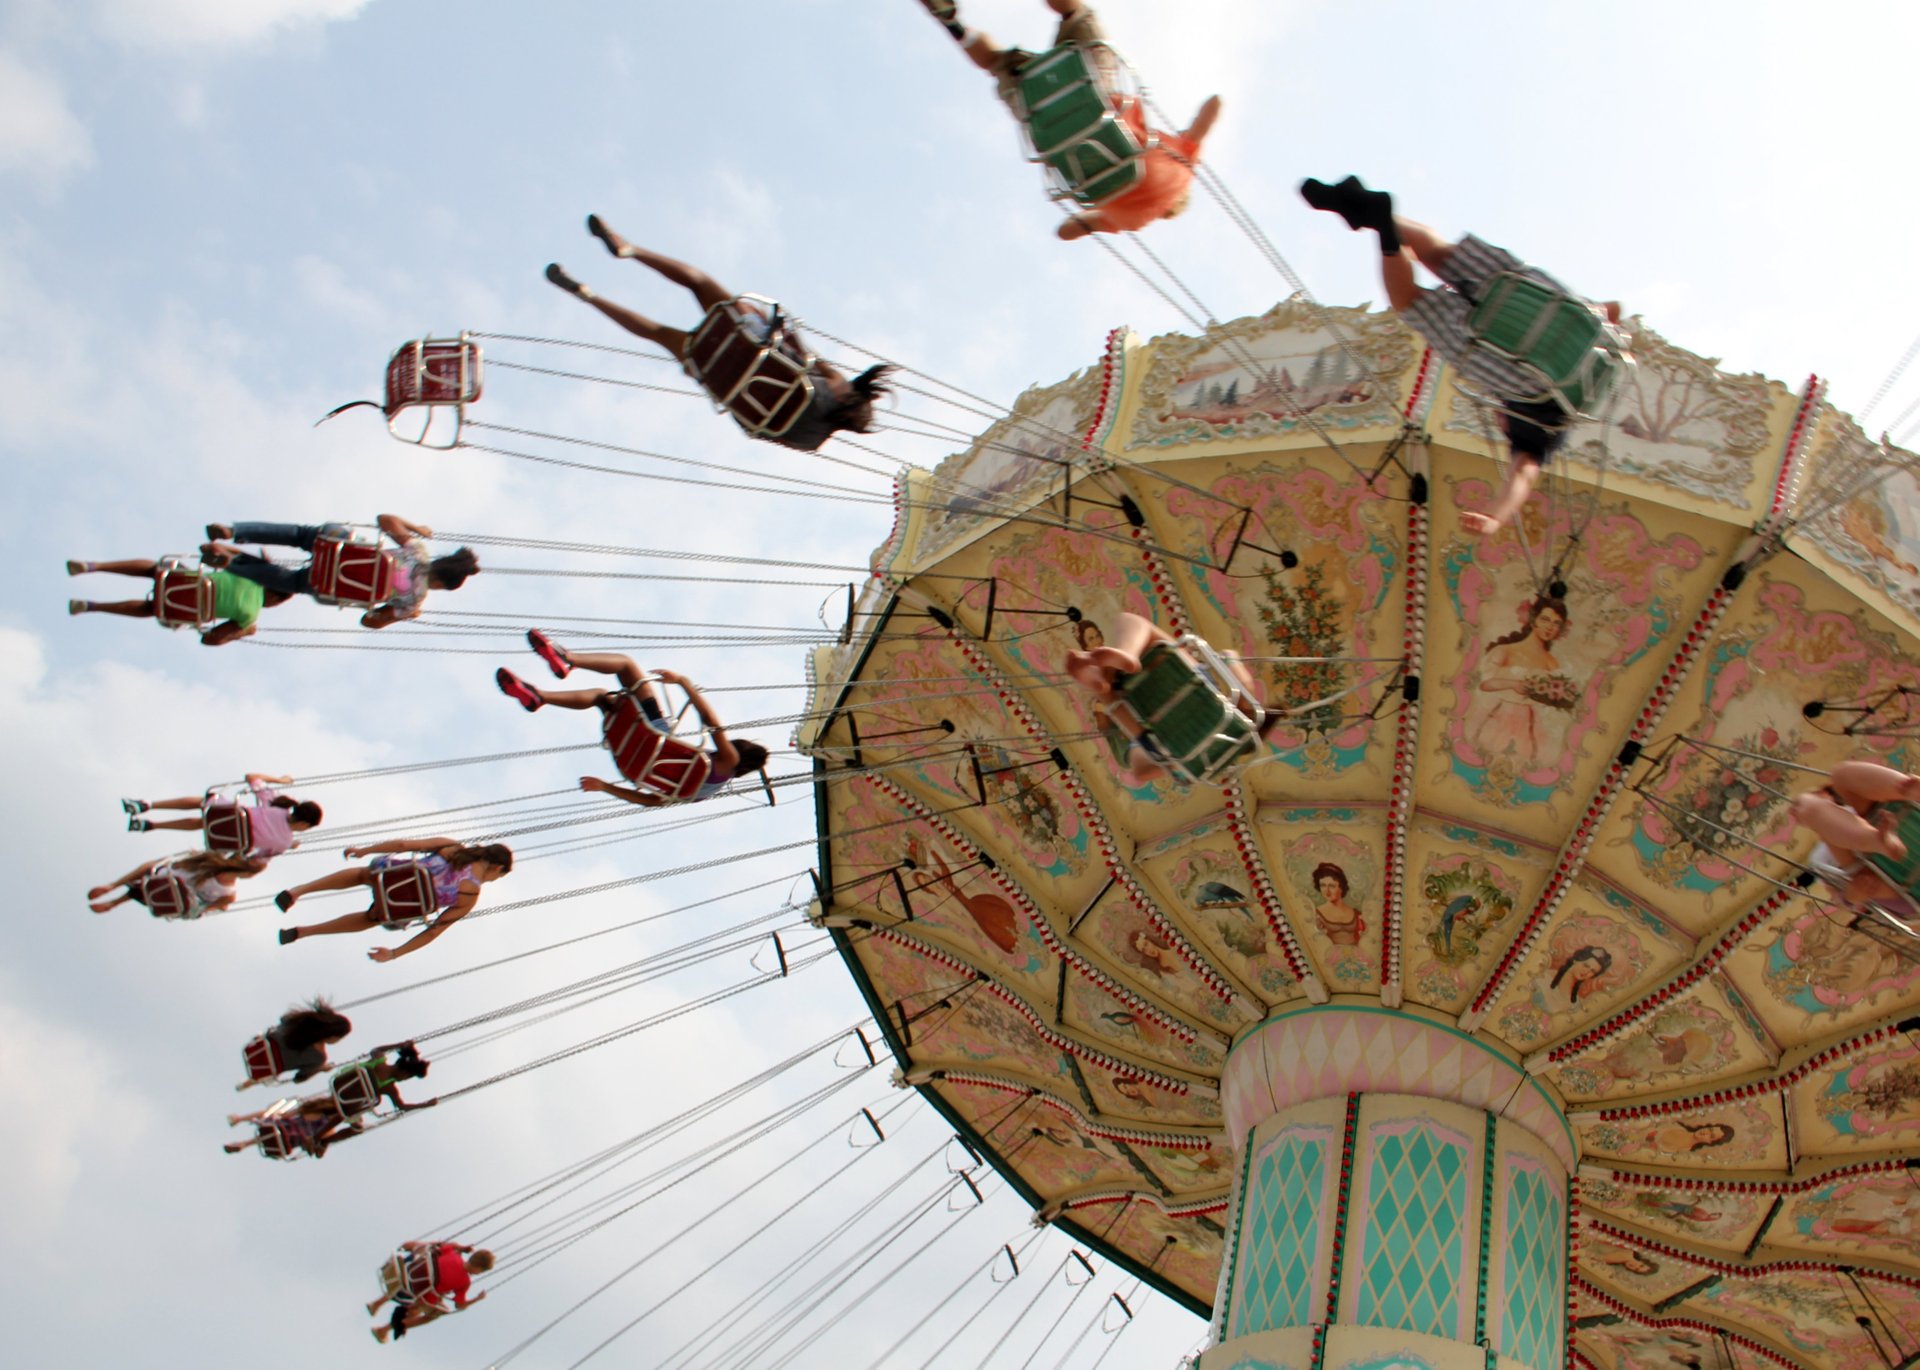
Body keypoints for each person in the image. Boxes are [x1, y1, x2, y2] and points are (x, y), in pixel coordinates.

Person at [1298, 175, 1624, 536]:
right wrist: (1496, 517)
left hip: (1535, 293)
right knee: (1409, 301)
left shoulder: (1581, 370)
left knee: (1437, 252)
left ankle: (1367, 210)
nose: (1500, 424)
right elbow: (1522, 478)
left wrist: (1601, 316)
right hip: (1511, 361)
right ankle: (1386, 236)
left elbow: (1613, 309)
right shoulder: (1539, 434)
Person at [545, 215, 893, 452]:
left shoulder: (836, 389)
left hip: (751, 347)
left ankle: (629, 249)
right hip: (719, 376)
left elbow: (806, 356)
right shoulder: (809, 442)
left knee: (700, 283)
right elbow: (754, 430)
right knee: (656, 332)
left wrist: (788, 335)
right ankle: (586, 295)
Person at [921, 1, 1222, 241]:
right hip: (1043, 120)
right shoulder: (1129, 222)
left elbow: (1215, 103)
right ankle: (956, 26)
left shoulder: (1183, 169)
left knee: (1077, 14)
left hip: (1095, 95)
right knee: (999, 64)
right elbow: (1065, 232)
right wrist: (1096, 224)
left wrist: (1193, 146)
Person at [496, 631, 770, 805]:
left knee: (628, 667)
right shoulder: (706, 792)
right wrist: (605, 787)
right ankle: (539, 696)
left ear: (739, 752)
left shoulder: (728, 761)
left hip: (652, 734)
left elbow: (711, 720)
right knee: (603, 699)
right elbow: (653, 801)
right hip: (632, 764)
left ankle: (568, 658)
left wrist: (684, 682)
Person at [1062, 612, 1283, 782]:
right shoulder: (1196, 760)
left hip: (1175, 675)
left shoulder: (1240, 710)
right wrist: (1171, 764)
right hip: (1145, 716)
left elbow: (1229, 656)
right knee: (1112, 698)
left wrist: (1229, 660)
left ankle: (1127, 653)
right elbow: (1142, 773)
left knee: (1130, 620)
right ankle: (1097, 681)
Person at [200, 515, 477, 630]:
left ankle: (235, 532)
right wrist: (405, 616)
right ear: (440, 583)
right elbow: (371, 621)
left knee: (301, 535)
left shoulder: (417, 552)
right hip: (326, 584)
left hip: (335, 550)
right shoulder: (413, 600)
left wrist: (418, 530)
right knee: (292, 582)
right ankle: (231, 564)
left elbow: (384, 520)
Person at [274, 838, 514, 961]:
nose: (494, 880)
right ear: (497, 868)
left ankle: (299, 891)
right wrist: (394, 953)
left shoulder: (453, 848)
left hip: (387, 876)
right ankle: (303, 932)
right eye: (499, 876)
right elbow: (432, 932)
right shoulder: (469, 896)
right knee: (373, 918)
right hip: (397, 906)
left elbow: (404, 845)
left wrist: (365, 850)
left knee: (363, 875)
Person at [1790, 760, 1920, 913]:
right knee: (1837, 780)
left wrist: (1852, 897)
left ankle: (1902, 792)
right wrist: (1852, 897)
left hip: (1892, 874)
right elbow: (1838, 894)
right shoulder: (1820, 854)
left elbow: (1843, 898)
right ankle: (1902, 789)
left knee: (1835, 780)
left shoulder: (1862, 808)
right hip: (1884, 859)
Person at [65, 558, 287, 645]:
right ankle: (90, 606)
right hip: (183, 610)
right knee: (152, 609)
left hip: (184, 580)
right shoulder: (250, 616)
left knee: (156, 569)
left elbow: (223, 558)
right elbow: (211, 639)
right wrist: (243, 632)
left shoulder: (249, 574)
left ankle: (94, 566)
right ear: (275, 596)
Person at [123, 773, 321, 858]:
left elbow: (252, 777)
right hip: (225, 842)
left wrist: (280, 780)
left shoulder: (275, 803)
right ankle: (151, 826)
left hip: (223, 815)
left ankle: (146, 805)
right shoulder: (284, 842)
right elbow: (259, 859)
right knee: (205, 823)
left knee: (207, 803)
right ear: (304, 825)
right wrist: (289, 845)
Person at [368, 1242, 495, 1343]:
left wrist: (461, 1248)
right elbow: (459, 1305)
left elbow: (443, 1245)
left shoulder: (452, 1254)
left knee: (419, 1299)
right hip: (422, 1293)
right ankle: (384, 1330)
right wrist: (477, 1299)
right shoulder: (465, 1283)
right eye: (481, 1271)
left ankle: (378, 1309)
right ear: (479, 1269)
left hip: (411, 1275)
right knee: (433, 1314)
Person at [87, 851, 265, 917]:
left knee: (154, 867)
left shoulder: (211, 859)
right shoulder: (229, 895)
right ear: (249, 875)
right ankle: (113, 903)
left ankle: (113, 886)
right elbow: (203, 911)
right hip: (169, 902)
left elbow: (179, 863)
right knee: (168, 892)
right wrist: (220, 906)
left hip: (158, 880)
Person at [246, 999, 354, 1087]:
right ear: (333, 1036)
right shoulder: (319, 1058)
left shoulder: (300, 1022)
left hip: (255, 1050)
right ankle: (250, 1082)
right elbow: (299, 1078)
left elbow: (283, 1018)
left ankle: (249, 1083)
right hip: (265, 1069)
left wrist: (314, 1016)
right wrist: (320, 1069)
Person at [221, 1096, 364, 1158]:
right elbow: (322, 1147)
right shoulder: (328, 1128)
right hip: (292, 1140)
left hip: (281, 1127)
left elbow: (287, 1115)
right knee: (276, 1127)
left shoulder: (313, 1109)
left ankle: (239, 1121)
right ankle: (244, 1143)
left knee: (271, 1115)